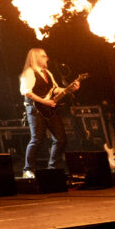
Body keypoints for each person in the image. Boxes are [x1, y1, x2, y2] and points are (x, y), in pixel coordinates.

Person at [20, 48, 79, 178]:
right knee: (37, 139)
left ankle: (53, 167)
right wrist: (44, 101)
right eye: (43, 56)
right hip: (35, 109)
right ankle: (27, 170)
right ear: (35, 58)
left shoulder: (47, 73)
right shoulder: (29, 73)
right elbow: (27, 92)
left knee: (61, 138)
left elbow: (55, 89)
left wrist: (70, 89)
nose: (47, 58)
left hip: (49, 110)